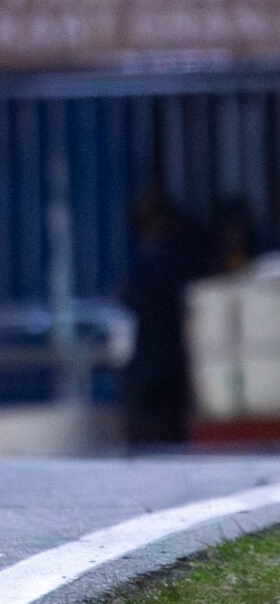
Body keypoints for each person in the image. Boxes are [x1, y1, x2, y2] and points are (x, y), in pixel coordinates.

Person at [120, 187, 210, 448]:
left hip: (154, 363)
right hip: (175, 361)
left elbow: (135, 298)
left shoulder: (158, 262)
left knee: (154, 432)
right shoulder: (182, 259)